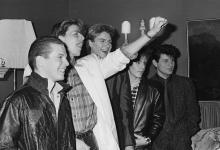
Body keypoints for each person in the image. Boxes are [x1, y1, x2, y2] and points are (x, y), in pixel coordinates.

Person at [24, 17, 167, 150]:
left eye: (82, 34)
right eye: (76, 34)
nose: (82, 37)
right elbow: (35, 118)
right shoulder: (44, 70)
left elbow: (121, 56)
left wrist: (150, 34)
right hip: (64, 140)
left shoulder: (89, 64)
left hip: (93, 139)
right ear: (59, 39)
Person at [0, 36, 75, 150]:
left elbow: (69, 142)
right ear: (40, 62)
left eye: (66, 57)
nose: (67, 63)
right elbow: (4, 145)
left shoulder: (62, 98)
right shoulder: (17, 101)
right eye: (60, 57)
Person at [107, 49, 165, 150]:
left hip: (140, 145)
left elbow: (158, 118)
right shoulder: (114, 86)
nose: (142, 67)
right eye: (138, 63)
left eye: (145, 63)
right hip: (115, 142)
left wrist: (148, 139)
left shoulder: (153, 89)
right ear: (127, 63)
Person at [150, 44, 201, 150]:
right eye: (166, 61)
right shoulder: (147, 85)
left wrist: (188, 132)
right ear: (155, 63)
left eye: (172, 60)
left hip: (182, 140)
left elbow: (193, 112)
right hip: (157, 142)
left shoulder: (185, 83)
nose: (171, 64)